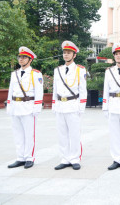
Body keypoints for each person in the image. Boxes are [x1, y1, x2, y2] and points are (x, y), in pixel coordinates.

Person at [6, 47, 43, 169]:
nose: (21, 59)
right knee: (17, 134)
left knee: (29, 134)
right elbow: (11, 91)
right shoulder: (14, 74)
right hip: (16, 107)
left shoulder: (36, 74)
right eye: (20, 57)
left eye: (24, 57)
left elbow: (39, 92)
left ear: (30, 60)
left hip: (28, 107)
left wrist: (37, 108)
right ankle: (20, 157)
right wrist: (9, 106)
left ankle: (29, 157)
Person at [52, 41, 87, 170]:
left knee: (74, 133)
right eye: (64, 52)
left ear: (74, 55)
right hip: (60, 105)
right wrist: (54, 105)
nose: (66, 55)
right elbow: (55, 89)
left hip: (73, 105)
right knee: (62, 134)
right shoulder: (58, 70)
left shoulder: (80, 70)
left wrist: (81, 107)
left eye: (69, 53)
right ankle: (65, 158)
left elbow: (83, 90)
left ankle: (75, 158)